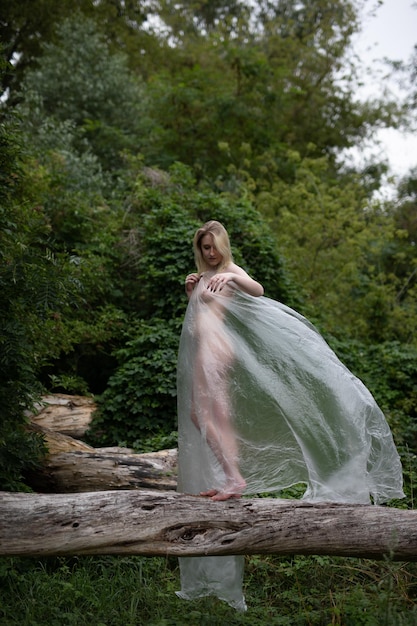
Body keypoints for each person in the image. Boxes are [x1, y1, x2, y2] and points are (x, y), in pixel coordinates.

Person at [175, 220, 404, 611]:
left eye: (214, 246)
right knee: (217, 417)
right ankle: (233, 476)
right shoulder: (204, 275)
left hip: (215, 346)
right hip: (211, 345)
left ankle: (233, 476)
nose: (210, 253)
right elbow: (198, 313)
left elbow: (258, 290)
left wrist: (230, 277)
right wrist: (191, 290)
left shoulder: (228, 271)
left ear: (223, 246)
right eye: (205, 247)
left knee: (201, 415)